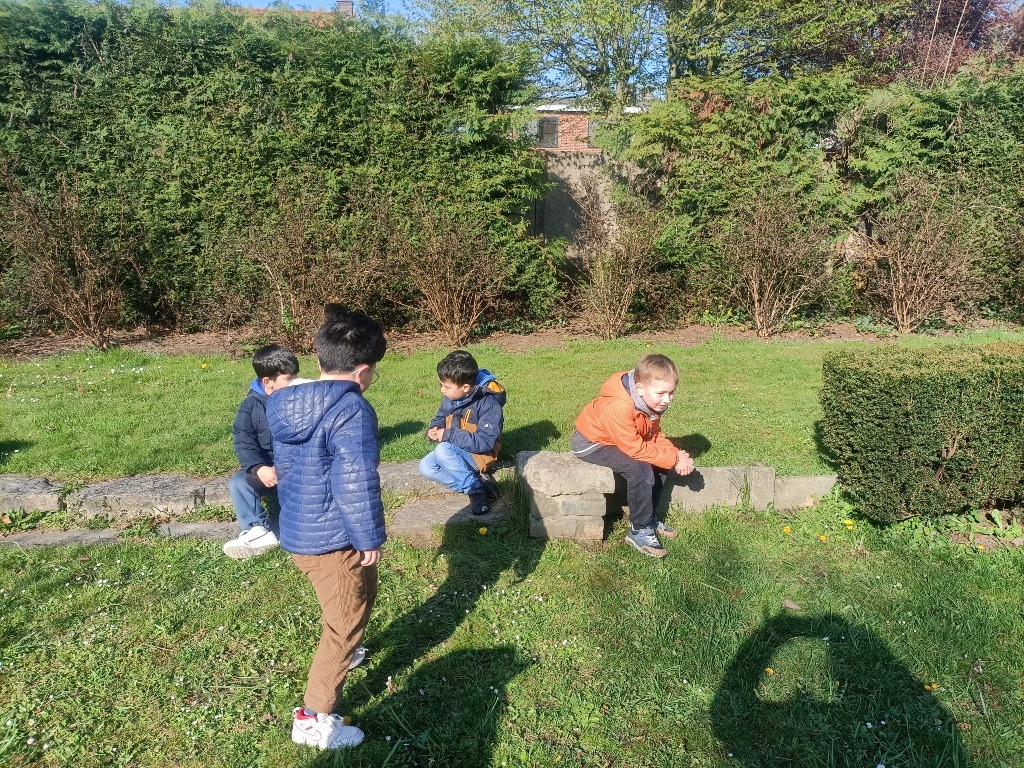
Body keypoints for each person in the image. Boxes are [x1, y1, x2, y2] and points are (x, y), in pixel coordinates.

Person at [267, 305, 387, 750]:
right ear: (363, 371)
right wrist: (369, 536)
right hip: (333, 538)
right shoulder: (352, 409)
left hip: (302, 530)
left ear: (319, 361)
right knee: (342, 625)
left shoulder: (285, 402)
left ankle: (346, 654)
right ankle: (312, 718)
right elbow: (354, 478)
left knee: (361, 596)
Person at [572, 354, 694, 558]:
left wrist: (674, 454)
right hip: (593, 443)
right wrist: (675, 458)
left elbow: (653, 434)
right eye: (661, 393)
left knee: (661, 463)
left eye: (671, 392)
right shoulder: (619, 406)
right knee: (640, 468)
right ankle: (639, 530)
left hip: (620, 439)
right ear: (639, 389)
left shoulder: (649, 400)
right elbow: (635, 449)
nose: (667, 399)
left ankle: (648, 517)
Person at [222, 344, 298, 560]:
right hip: (267, 469)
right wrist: (258, 468)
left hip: (296, 466)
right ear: (267, 381)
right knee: (239, 482)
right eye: (288, 378)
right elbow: (243, 440)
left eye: (295, 376)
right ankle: (257, 530)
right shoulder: (250, 406)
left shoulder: (300, 398)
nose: (294, 381)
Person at [419, 350, 506, 516]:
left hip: (481, 454)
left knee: (442, 450)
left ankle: (475, 491)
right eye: (441, 385)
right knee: (426, 467)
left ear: (465, 387)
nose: (442, 390)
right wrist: (434, 428)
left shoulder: (489, 404)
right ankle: (479, 485)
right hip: (455, 448)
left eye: (446, 387)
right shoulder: (452, 396)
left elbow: (484, 443)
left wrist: (449, 435)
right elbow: (441, 416)